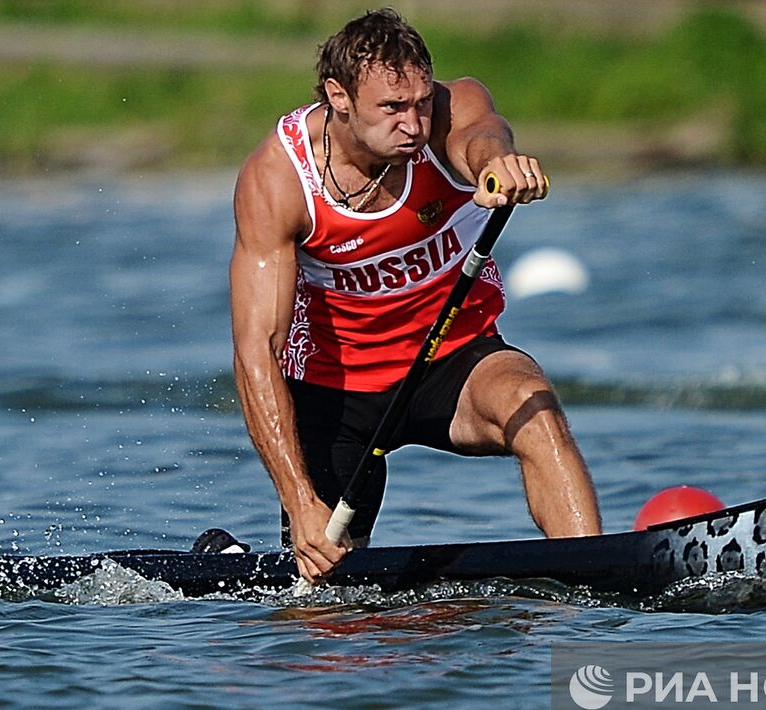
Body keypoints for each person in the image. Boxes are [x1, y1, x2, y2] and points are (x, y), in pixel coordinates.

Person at [229, 8, 601, 583]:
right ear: (340, 97)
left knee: (534, 405)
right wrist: (301, 501)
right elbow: (258, 349)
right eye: (393, 108)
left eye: (421, 102)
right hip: (337, 391)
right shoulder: (278, 178)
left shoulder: (450, 111)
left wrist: (497, 163)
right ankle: (235, 561)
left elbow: (482, 135)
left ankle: (595, 576)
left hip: (454, 359)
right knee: (327, 610)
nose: (413, 124)